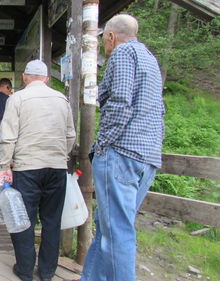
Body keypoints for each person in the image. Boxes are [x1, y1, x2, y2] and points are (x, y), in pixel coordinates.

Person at [80, 14, 164, 281]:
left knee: (116, 232)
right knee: (109, 229)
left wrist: (103, 145)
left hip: (122, 155)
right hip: (147, 156)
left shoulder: (123, 53)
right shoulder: (149, 58)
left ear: (111, 37)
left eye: (104, 40)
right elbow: (158, 108)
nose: (105, 46)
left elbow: (119, 102)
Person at [0, 59, 76, 281]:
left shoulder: (17, 99)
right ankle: (48, 271)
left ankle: (24, 270)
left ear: (24, 77)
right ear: (47, 79)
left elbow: (8, 136)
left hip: (27, 168)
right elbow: (70, 135)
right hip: (56, 168)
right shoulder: (62, 99)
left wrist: (5, 165)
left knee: (23, 219)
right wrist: (60, 155)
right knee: (52, 220)